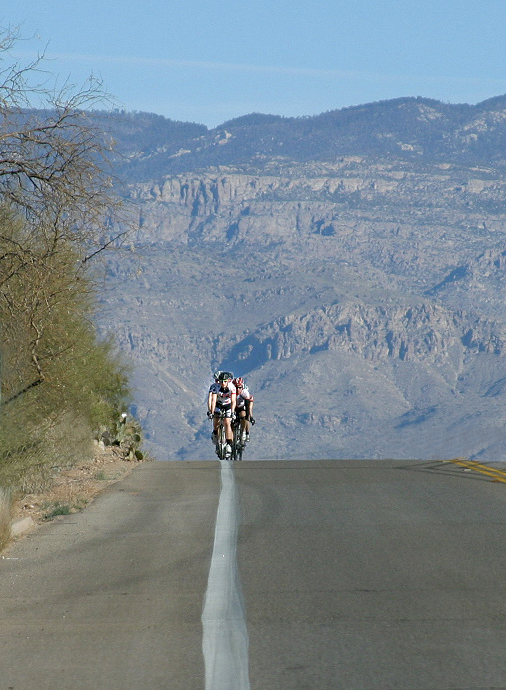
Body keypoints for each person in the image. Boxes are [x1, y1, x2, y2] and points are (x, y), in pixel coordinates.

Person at [207, 371, 236, 457]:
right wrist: (211, 412)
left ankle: (229, 443)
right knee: (216, 421)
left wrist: (233, 412)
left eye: (225, 381)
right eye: (221, 381)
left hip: (228, 405)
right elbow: (213, 400)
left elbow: (234, 401)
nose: (223, 383)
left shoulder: (232, 387)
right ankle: (215, 432)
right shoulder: (215, 387)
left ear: (228, 381)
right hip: (218, 404)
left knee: (227, 422)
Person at [233, 377, 255, 444]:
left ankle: (245, 432)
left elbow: (248, 407)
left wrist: (250, 417)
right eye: (236, 387)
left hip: (243, 406)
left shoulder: (245, 393)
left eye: (239, 387)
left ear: (242, 387)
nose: (237, 389)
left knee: (245, 415)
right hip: (234, 407)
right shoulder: (231, 391)